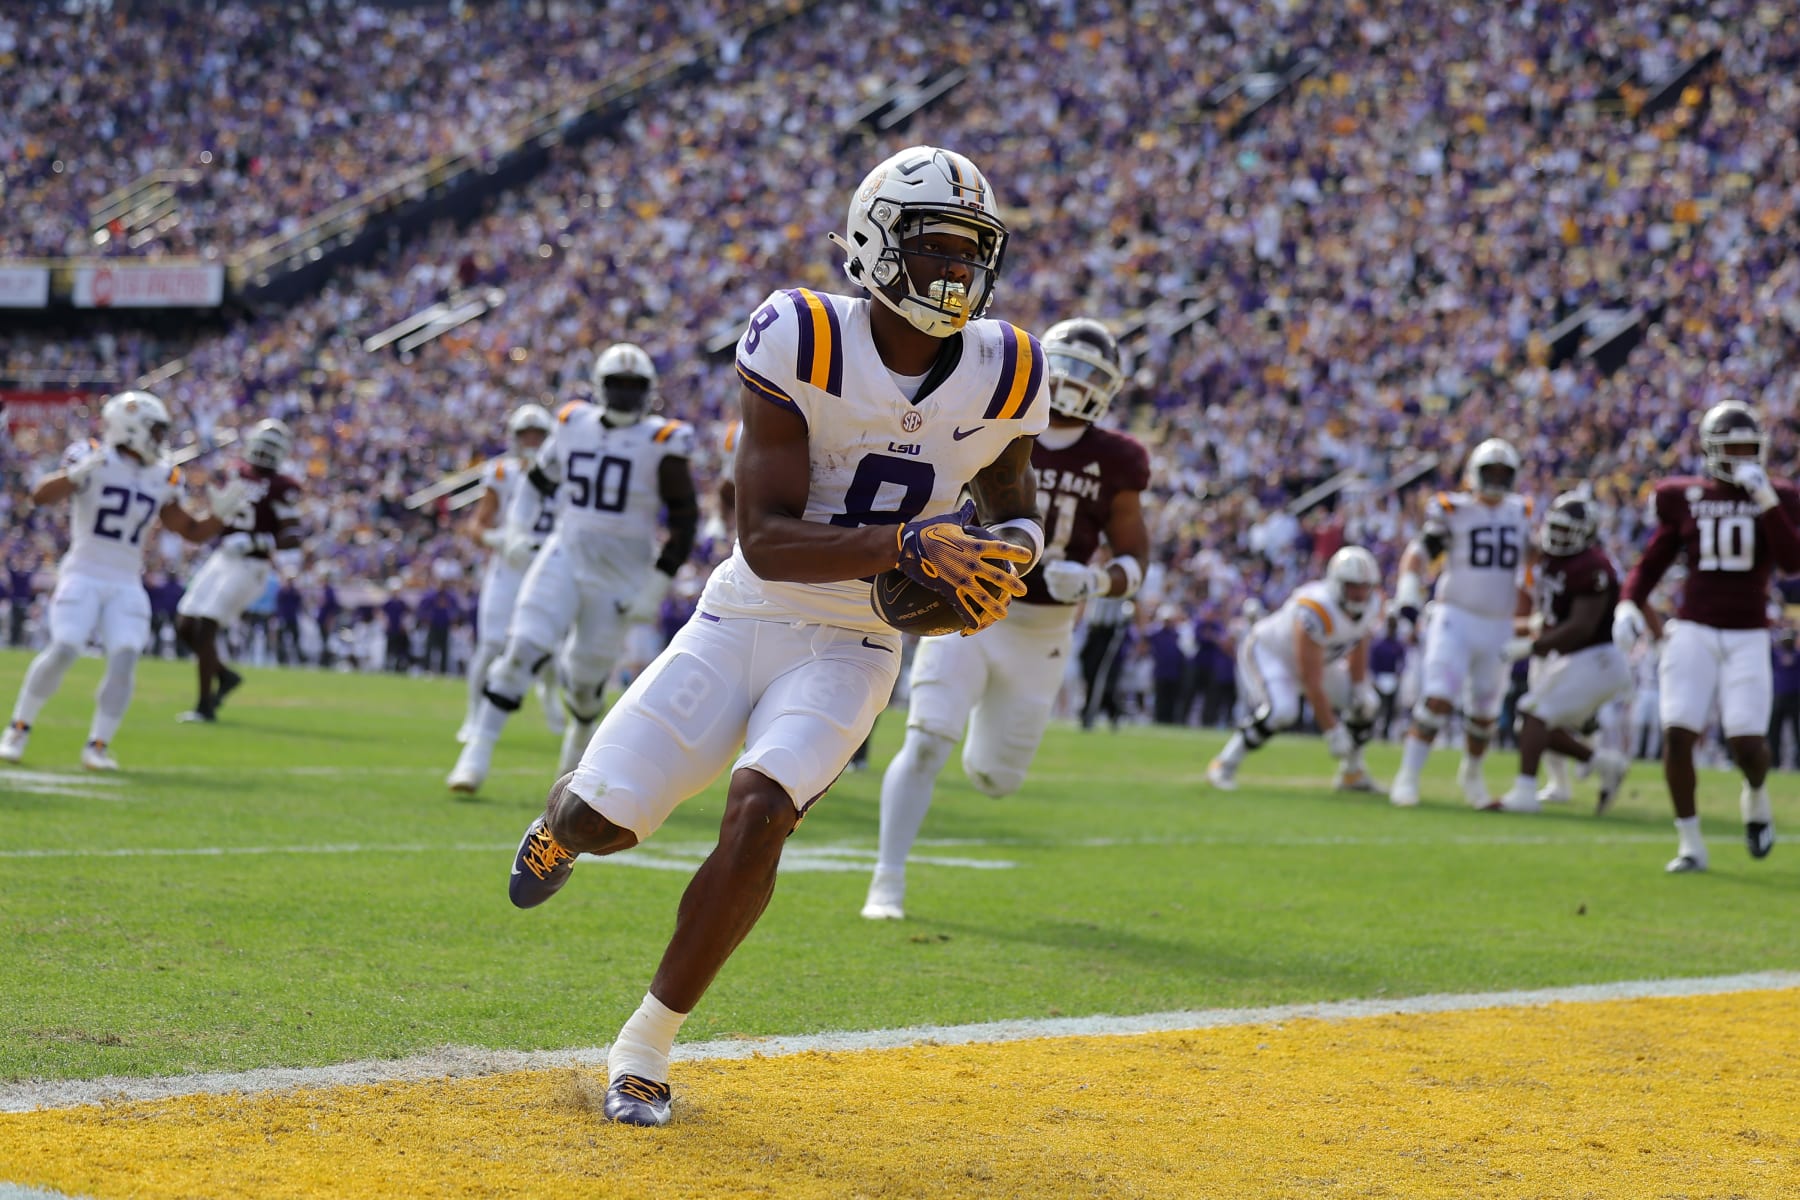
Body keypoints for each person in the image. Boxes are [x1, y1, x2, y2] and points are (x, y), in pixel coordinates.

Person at [502, 145, 1047, 1126]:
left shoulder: (1007, 366)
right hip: (746, 612)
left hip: (858, 640)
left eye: (973, 250)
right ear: (875, 245)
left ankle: (644, 1049)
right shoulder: (804, 336)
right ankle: (558, 830)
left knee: (763, 810)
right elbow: (765, 539)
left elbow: (1014, 498)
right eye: (935, 247)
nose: (956, 270)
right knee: (601, 821)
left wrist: (1009, 555)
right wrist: (908, 543)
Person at [861, 315, 1150, 921]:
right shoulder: (999, 422)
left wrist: (1097, 581)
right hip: (969, 604)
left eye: (1091, 375)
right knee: (926, 739)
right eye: (1068, 367)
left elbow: (1134, 558)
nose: (1074, 383)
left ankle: (979, 729)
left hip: (1043, 633)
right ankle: (886, 880)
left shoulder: (1118, 458)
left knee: (997, 777)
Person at [447, 343, 700, 790]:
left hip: (621, 574)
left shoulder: (663, 440)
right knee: (521, 648)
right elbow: (536, 483)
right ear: (600, 386)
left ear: (648, 390)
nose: (625, 393)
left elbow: (685, 521)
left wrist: (656, 586)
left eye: (633, 385)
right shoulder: (572, 423)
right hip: (565, 553)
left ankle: (580, 732)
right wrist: (517, 531)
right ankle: (476, 753)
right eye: (617, 384)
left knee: (585, 681)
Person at [0, 392, 244, 769]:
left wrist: (220, 517)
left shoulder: (163, 475)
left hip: (127, 579)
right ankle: (18, 728)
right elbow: (40, 496)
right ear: (131, 428)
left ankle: (98, 745)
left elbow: (190, 530)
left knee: (126, 656)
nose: (160, 439)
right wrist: (74, 476)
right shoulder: (92, 456)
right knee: (65, 646)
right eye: (155, 431)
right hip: (83, 571)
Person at [1612, 400, 1800, 871]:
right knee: (1678, 734)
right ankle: (1691, 844)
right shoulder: (1685, 496)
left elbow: (1792, 561)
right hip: (1694, 627)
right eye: (1732, 449)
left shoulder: (1776, 495)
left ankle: (1756, 795)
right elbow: (1652, 561)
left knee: (1748, 745)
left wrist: (1766, 500)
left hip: (1748, 633)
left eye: (1749, 448)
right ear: (1712, 450)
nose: (1741, 458)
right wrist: (1628, 602)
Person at [1388, 438, 1533, 808]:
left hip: (1499, 623)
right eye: (1490, 472)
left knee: (1485, 712)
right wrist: (1408, 591)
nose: (1496, 479)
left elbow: (1535, 563)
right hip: (1456, 615)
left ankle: (1472, 776)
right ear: (1474, 473)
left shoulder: (1521, 512)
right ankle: (1408, 776)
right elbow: (1420, 551)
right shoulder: (1454, 509)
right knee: (1438, 696)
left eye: (1503, 473)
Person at [1206, 546, 1386, 793]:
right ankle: (1224, 763)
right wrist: (1332, 731)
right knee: (1282, 711)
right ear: (1336, 583)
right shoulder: (1316, 608)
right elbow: (1310, 680)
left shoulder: (1372, 604)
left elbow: (1359, 643)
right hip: (1272, 654)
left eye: (1365, 586)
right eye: (1353, 586)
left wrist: (1357, 687)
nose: (1360, 593)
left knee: (1365, 703)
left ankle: (1352, 773)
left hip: (1320, 660)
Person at [1494, 490, 1631, 813]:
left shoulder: (1592, 566)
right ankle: (1604, 763)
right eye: (1555, 528)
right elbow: (1552, 613)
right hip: (1573, 657)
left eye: (1566, 531)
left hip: (1596, 659)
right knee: (1535, 724)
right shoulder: (1551, 558)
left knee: (1534, 713)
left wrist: (1531, 646)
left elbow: (1580, 627)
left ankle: (1525, 792)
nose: (1557, 537)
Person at [174, 419, 304, 723]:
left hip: (251, 563)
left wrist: (257, 540)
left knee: (206, 625)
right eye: (262, 445)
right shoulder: (235, 471)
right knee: (185, 625)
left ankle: (204, 706)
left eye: (271, 448)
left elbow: (293, 534)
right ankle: (224, 675)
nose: (264, 453)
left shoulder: (282, 486)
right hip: (222, 556)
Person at [457, 402, 556, 743]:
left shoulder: (564, 472)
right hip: (509, 569)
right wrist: (498, 540)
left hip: (547, 568)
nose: (532, 441)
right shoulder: (502, 472)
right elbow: (477, 525)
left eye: (538, 435)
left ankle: (551, 701)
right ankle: (473, 716)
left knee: (551, 651)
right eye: (526, 434)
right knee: (490, 646)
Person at [1368, 615, 1407, 740]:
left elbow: (1403, 662)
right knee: (1377, 707)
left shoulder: (1398, 645)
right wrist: (1374, 678)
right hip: (1379, 679)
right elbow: (1372, 662)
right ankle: (1372, 731)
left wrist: (1399, 675)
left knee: (1390, 709)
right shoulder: (1378, 644)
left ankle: (1385, 733)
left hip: (1392, 679)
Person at [1769, 630, 1800, 771]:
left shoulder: (1797, 655)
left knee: (1796, 731)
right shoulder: (1777, 654)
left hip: (1795, 698)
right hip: (1778, 697)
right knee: (1774, 731)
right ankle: (1774, 762)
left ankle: (1797, 763)